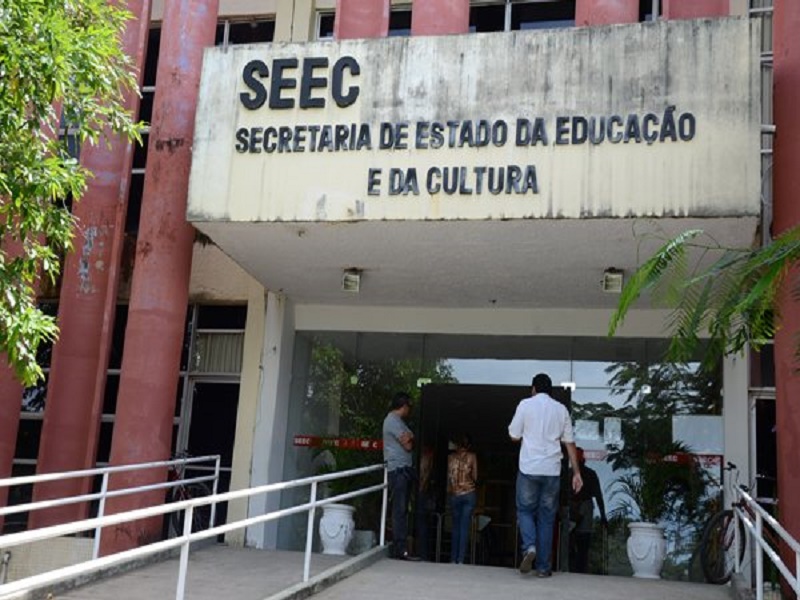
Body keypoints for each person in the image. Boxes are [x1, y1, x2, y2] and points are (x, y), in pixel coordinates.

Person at [508, 373, 583, 578]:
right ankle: (543, 567)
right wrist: (576, 473)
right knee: (547, 518)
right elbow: (569, 443)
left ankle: (530, 547)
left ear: (533, 389)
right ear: (550, 391)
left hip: (529, 469)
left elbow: (514, 435)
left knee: (524, 511)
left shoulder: (525, 405)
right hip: (552, 471)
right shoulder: (561, 410)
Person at [382, 391, 420, 561]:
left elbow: (411, 437)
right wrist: (410, 438)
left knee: (403, 510)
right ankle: (400, 549)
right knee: (400, 510)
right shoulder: (392, 422)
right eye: (409, 407)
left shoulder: (398, 422)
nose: (409, 410)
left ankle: (402, 548)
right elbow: (408, 445)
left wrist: (410, 437)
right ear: (403, 406)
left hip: (403, 471)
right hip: (398, 471)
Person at [568, 447, 607, 574]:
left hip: (582, 507)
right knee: (574, 543)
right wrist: (603, 516)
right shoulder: (571, 474)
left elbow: (598, 496)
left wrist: (603, 516)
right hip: (574, 508)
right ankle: (576, 568)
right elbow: (599, 496)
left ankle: (578, 569)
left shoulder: (587, 474)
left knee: (580, 542)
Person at [447, 434, 478, 564]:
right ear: (469, 445)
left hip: (455, 494)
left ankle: (453, 558)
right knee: (464, 527)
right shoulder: (472, 457)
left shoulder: (450, 458)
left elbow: (449, 477)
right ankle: (461, 559)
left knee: (455, 526)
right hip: (469, 493)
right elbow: (475, 476)